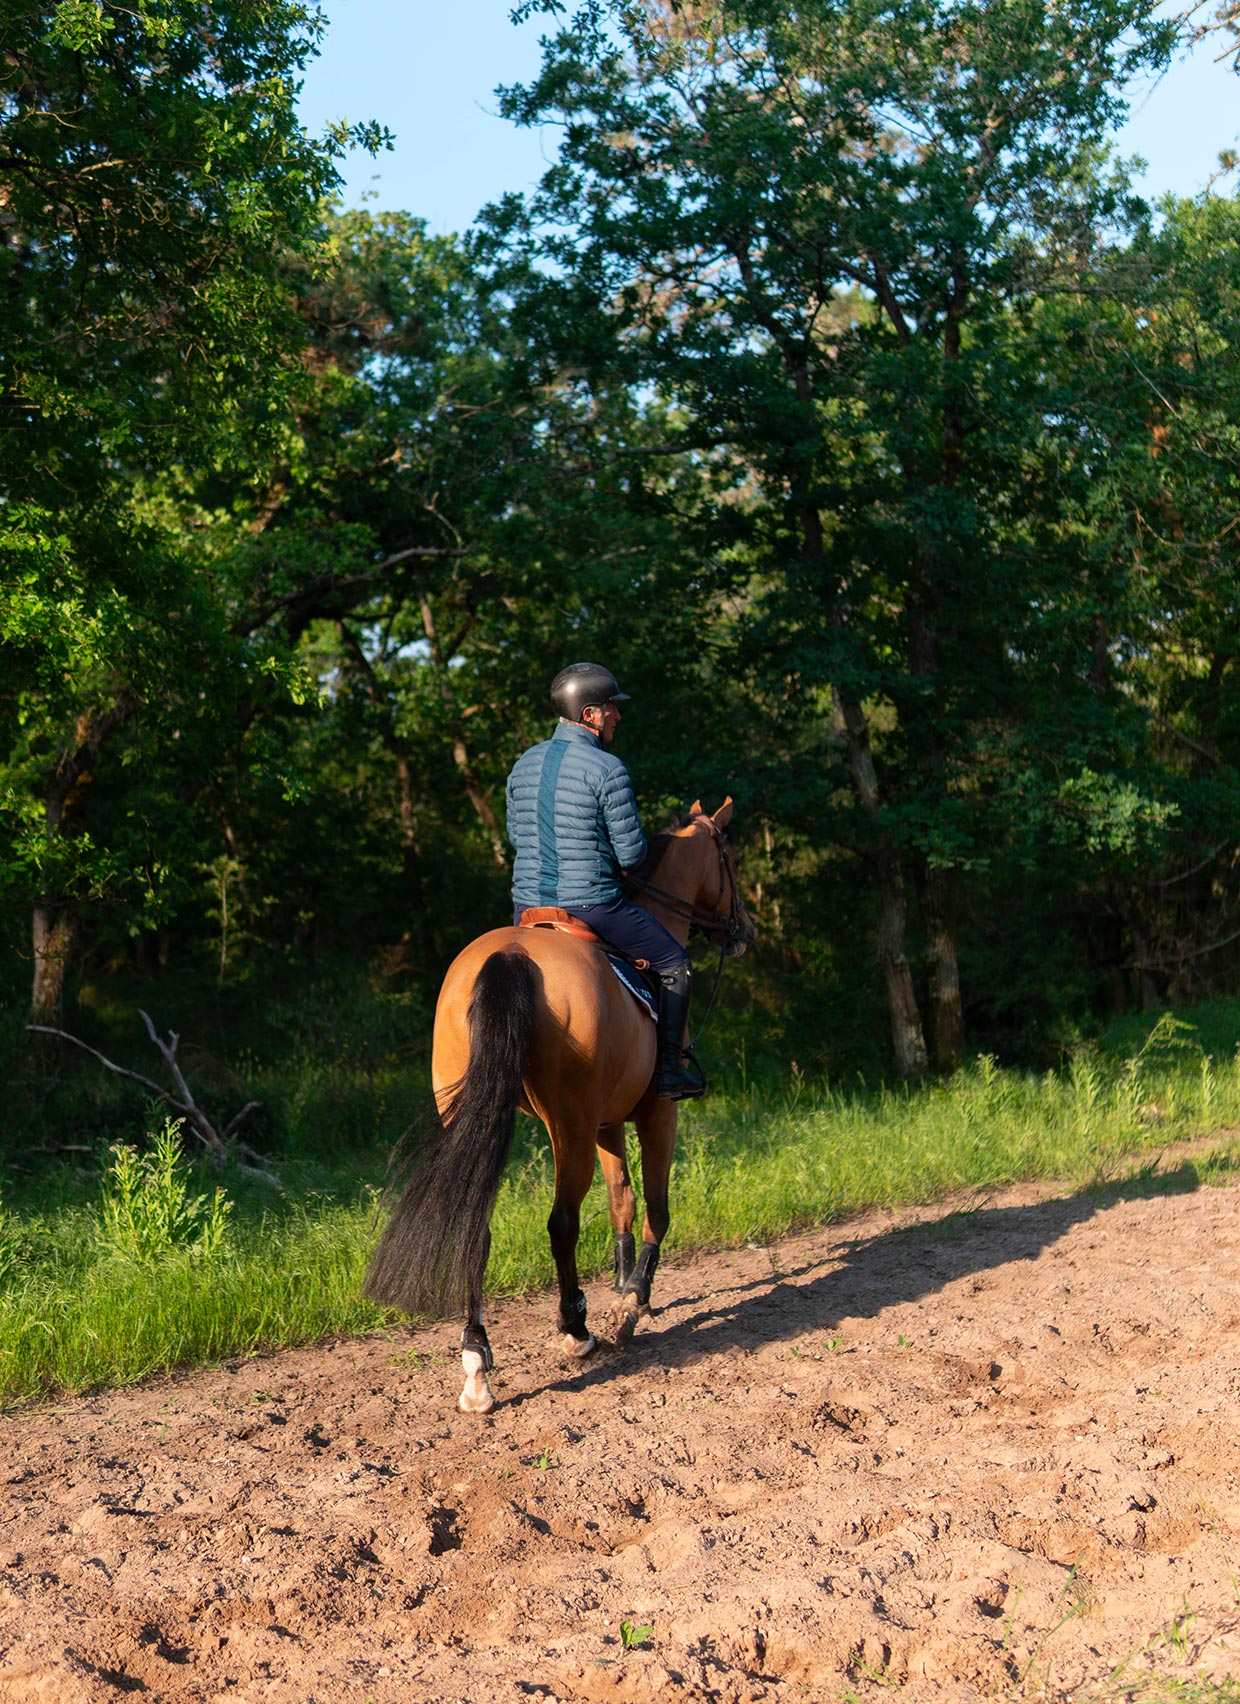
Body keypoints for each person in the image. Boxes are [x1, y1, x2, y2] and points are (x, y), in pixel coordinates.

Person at [505, 661, 705, 1100]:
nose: (618, 714)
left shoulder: (522, 764)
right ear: (591, 714)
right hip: (591, 904)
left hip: (526, 909)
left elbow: (516, 836)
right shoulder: (606, 768)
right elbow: (633, 853)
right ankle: (669, 1071)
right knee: (675, 965)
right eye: (613, 706)